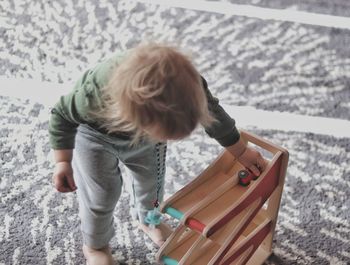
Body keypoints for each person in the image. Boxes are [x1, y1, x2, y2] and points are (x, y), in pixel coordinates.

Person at [49, 43, 266, 265]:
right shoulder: (92, 96)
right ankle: (95, 245)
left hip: (145, 140)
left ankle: (149, 220)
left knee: (152, 183)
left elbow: (215, 115)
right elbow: (60, 115)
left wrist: (239, 150)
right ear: (136, 119)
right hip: (93, 136)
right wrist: (63, 161)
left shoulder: (190, 85)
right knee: (102, 194)